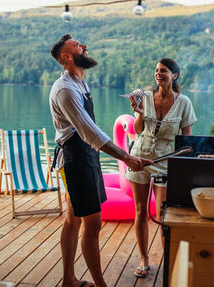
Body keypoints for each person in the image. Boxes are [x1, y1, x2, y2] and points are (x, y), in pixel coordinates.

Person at [49, 34, 152, 287]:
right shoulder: (65, 89)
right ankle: (100, 284)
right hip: (74, 158)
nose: (83, 46)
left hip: (87, 154)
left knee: (73, 218)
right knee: (92, 223)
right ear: (67, 57)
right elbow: (89, 131)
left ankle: (68, 281)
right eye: (77, 45)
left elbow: (90, 134)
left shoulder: (80, 83)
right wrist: (126, 157)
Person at [124, 58, 197, 278]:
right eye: (156, 70)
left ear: (174, 75)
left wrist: (184, 168)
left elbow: (187, 140)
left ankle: (168, 260)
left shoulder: (184, 102)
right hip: (139, 157)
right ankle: (144, 259)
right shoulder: (145, 97)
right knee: (140, 211)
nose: (158, 73)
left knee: (163, 213)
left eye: (163, 71)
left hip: (165, 162)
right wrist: (138, 112)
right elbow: (137, 130)